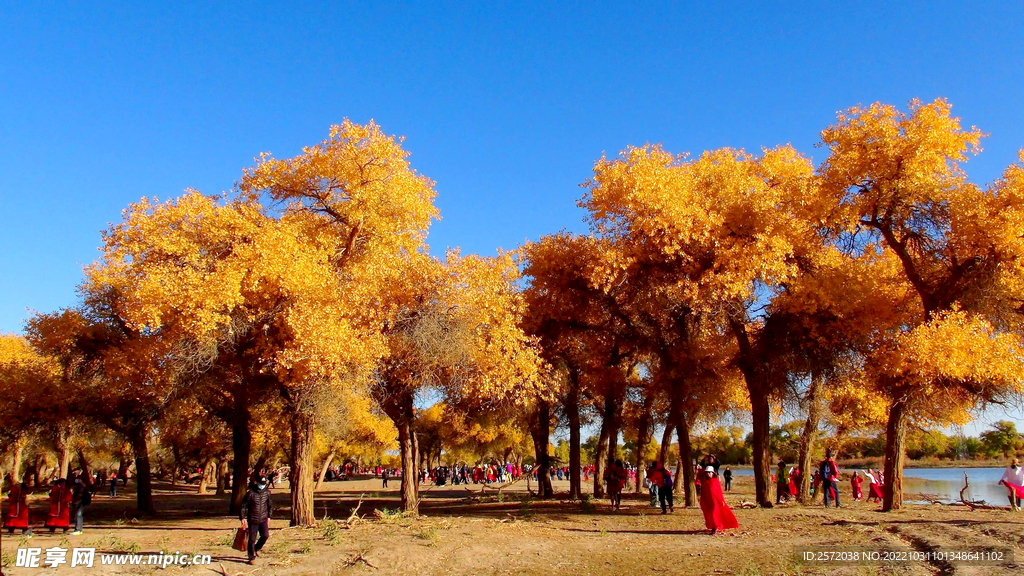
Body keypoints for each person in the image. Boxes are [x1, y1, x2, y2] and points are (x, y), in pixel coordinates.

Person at [240, 473, 273, 564]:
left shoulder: (267, 493)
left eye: (264, 484)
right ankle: (251, 558)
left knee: (265, 536)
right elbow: (243, 506)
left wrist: (269, 516)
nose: (262, 486)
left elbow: (270, 506)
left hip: (263, 519)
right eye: (261, 483)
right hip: (252, 519)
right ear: (257, 482)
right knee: (251, 539)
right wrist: (242, 517)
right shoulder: (250, 493)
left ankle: (256, 549)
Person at [699, 466, 738, 535]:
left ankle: (715, 528)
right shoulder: (705, 482)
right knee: (710, 514)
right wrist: (703, 502)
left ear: (713, 473)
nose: (708, 474)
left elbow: (719, 492)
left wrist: (721, 500)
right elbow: (703, 493)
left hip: (715, 501)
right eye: (707, 473)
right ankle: (715, 526)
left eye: (710, 472)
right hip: (708, 501)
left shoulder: (715, 481)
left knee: (714, 513)